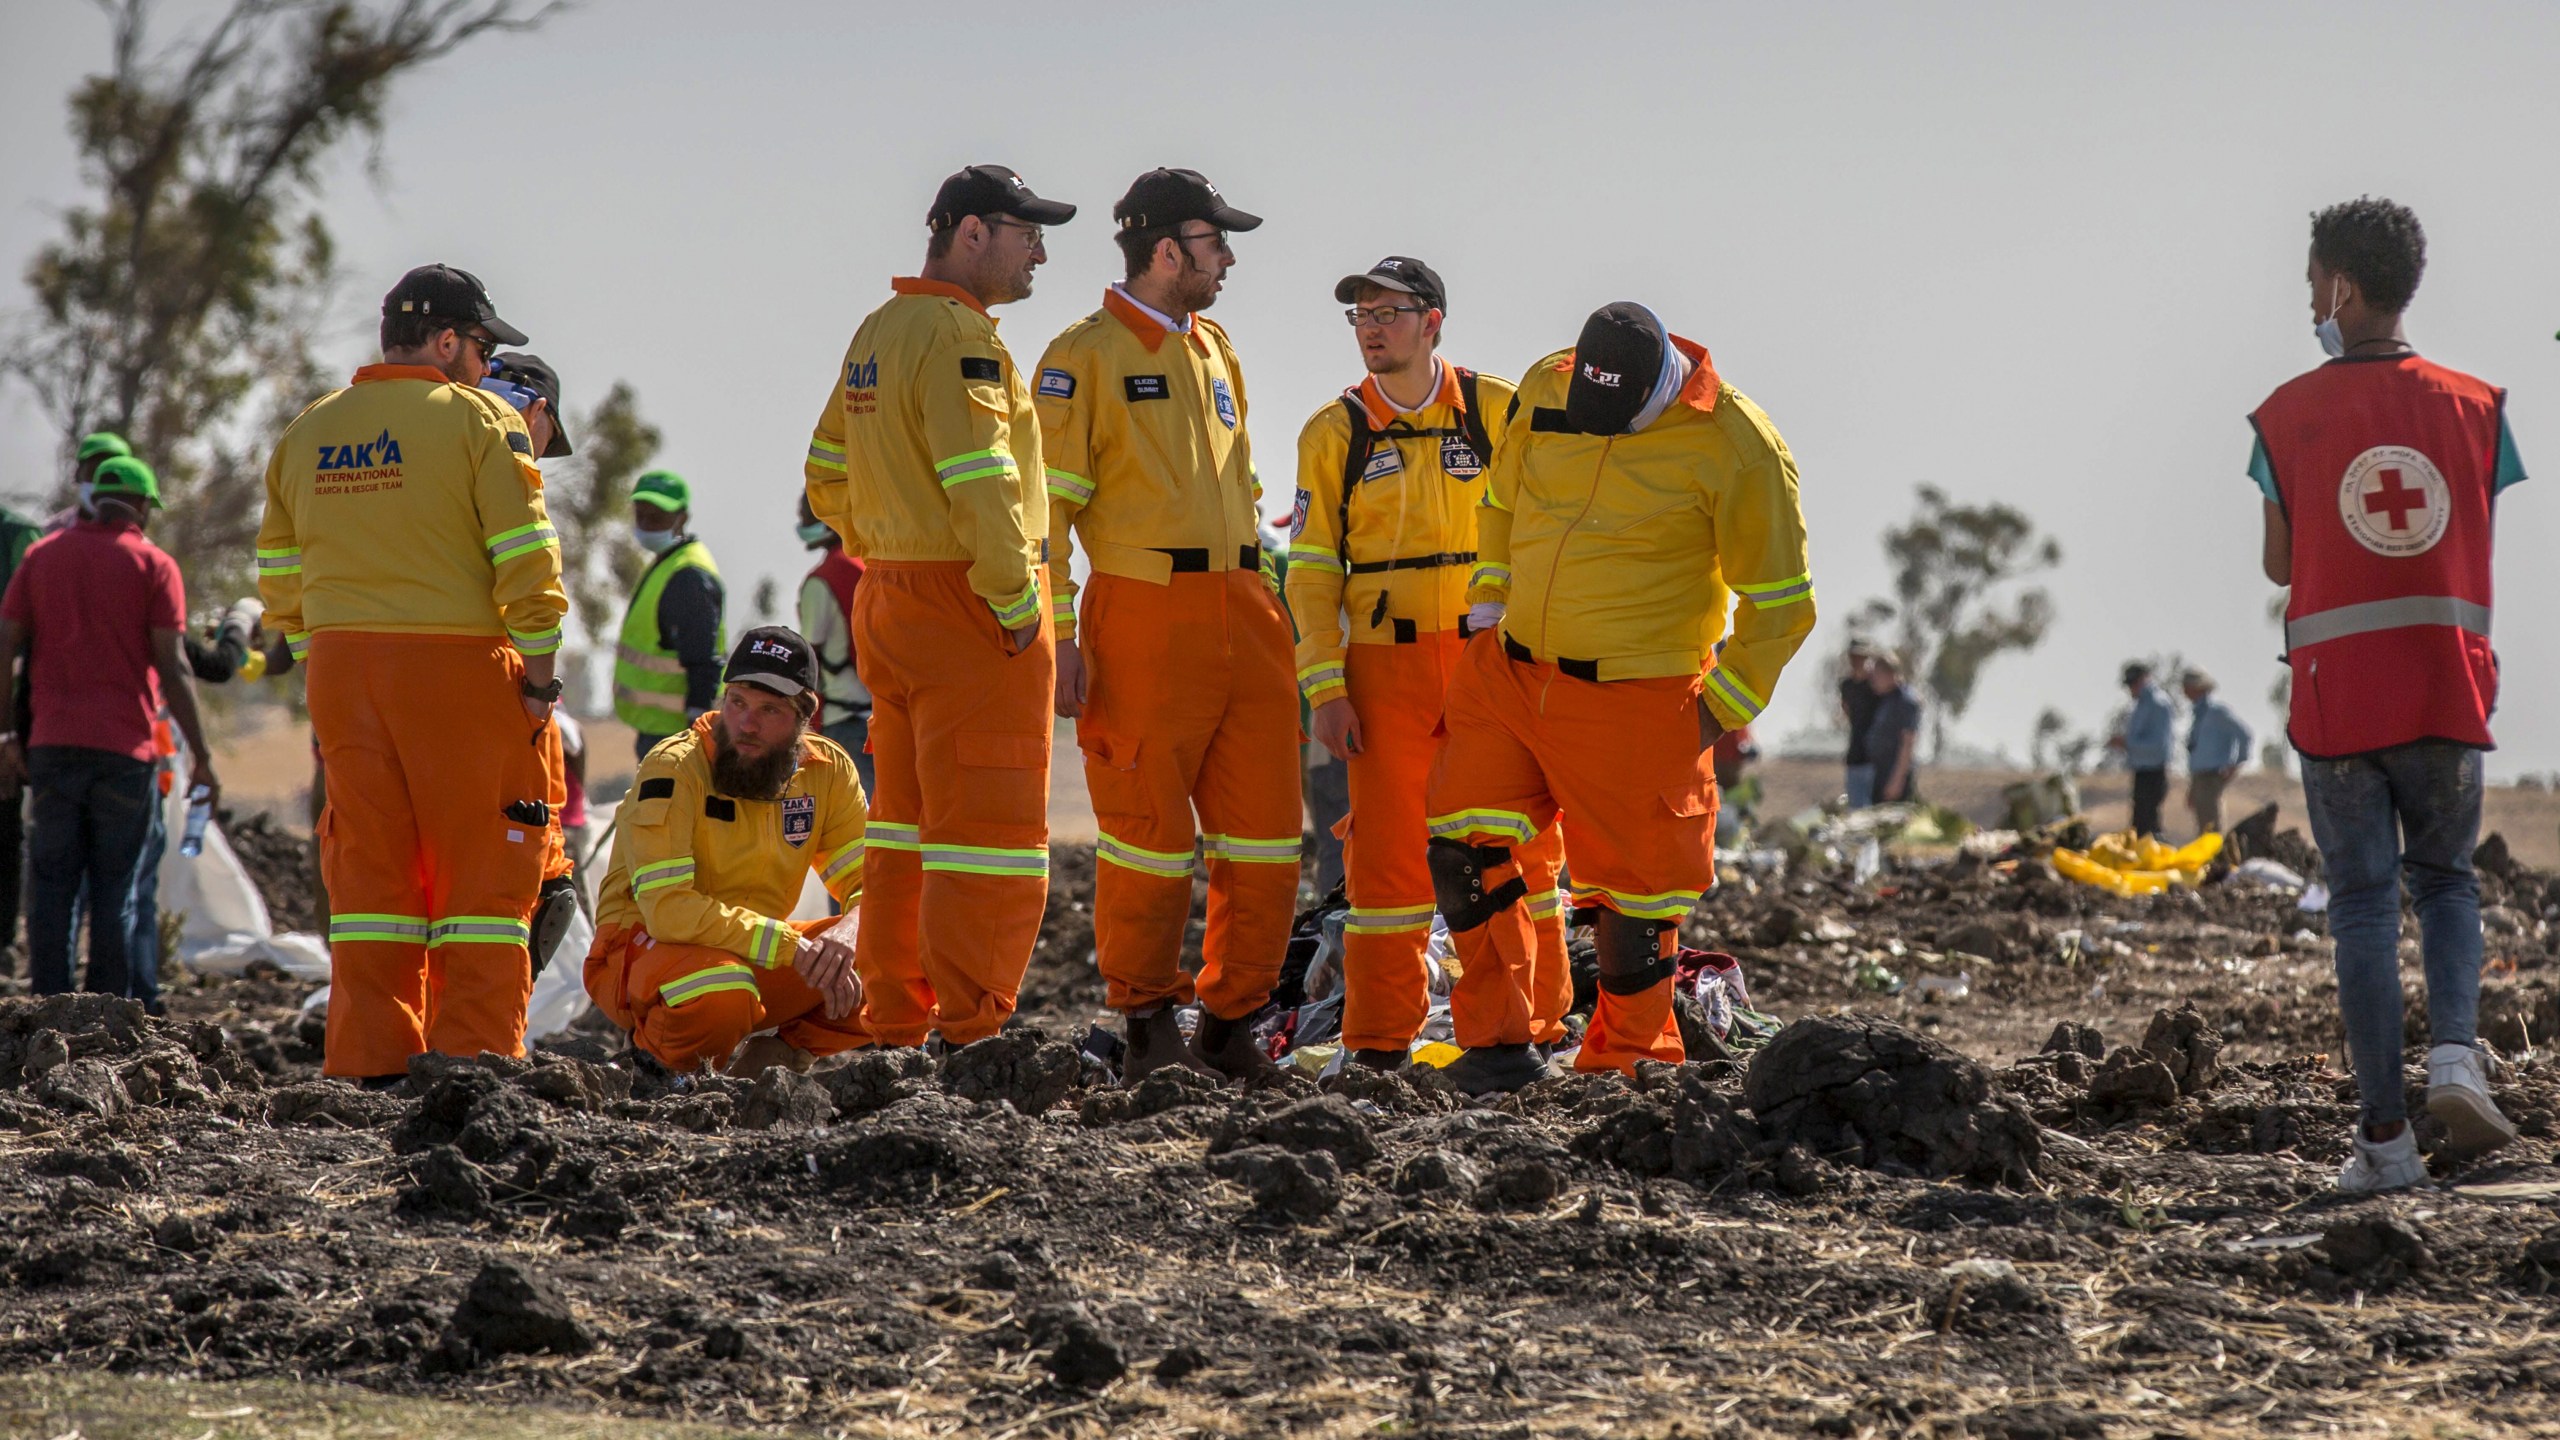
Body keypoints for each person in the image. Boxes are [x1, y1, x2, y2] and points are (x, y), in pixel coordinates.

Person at [1432, 301, 1815, 1092]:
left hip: (1641, 697)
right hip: (1508, 673)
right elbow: (1503, 504)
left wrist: (1712, 714)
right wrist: (1486, 613)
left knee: (1636, 901)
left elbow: (1782, 603)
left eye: (1620, 419)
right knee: (1462, 851)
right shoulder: (1547, 385)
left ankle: (1627, 1065)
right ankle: (1502, 1045)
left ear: (1662, 388)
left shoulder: (1739, 444)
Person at [2248, 196, 2522, 1190]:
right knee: (2446, 882)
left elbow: (2281, 566)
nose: (2306, 300)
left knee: (2362, 905)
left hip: (2337, 702)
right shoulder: (2480, 407)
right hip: (2445, 689)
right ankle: (2455, 1051)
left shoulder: (2281, 417)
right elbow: (2468, 527)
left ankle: (2384, 1145)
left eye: (2311, 284)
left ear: (2343, 288)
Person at [257, 262, 567, 1084]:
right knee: (483, 879)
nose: (481, 365)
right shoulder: (478, 425)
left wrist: (308, 636)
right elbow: (529, 565)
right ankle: (474, 1063)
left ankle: (370, 1064)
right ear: (444, 341)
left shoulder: (308, 429)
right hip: (457, 673)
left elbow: (279, 577)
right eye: (478, 347)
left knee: (370, 877)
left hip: (340, 675)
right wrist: (538, 681)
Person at [1037, 167, 1301, 1082]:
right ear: (1163, 251)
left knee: (1268, 835)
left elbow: (1245, 488)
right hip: (1141, 615)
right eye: (1214, 242)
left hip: (1247, 610)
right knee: (1148, 835)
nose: (1226, 258)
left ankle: (1233, 1027)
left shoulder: (1217, 347)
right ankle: (1148, 1023)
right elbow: (1048, 525)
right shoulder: (1082, 358)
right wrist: (1062, 643)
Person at [804, 165, 1065, 1052]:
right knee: (985, 831)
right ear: (970, 235)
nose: (1040, 250)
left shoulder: (879, 331)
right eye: (1025, 231)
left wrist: (881, 539)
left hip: (894, 595)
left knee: (905, 827)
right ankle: (971, 1030)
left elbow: (824, 472)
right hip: (967, 602)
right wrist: (1014, 597)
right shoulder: (962, 340)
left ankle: (894, 1019)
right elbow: (982, 480)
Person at [1284, 255, 1569, 1068]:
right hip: (1383, 670)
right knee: (1385, 858)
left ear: (1432, 322)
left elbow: (1547, 529)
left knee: (1516, 851)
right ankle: (1377, 1045)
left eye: (1388, 314)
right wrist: (1325, 688)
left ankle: (1523, 1033)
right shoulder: (1333, 431)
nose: (1371, 330)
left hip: (1491, 666)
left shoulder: (1498, 408)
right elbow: (1309, 573)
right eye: (1360, 317)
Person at [583, 628, 869, 1075]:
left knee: (896, 949)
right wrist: (791, 945)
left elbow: (873, 884)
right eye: (737, 702)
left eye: (769, 710)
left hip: (754, 955)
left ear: (803, 718)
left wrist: (851, 929)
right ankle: (655, 1069)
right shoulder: (675, 768)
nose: (747, 724)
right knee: (722, 988)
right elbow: (668, 910)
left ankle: (777, 1060)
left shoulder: (829, 773)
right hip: (641, 951)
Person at [0, 457, 216, 999]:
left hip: (51, 745)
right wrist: (204, 755)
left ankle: (50, 1008)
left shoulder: (41, 557)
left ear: (97, 500)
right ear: (142, 506)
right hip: (126, 751)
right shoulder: (154, 565)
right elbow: (174, 667)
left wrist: (6, 736)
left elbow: (5, 644)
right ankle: (107, 1015)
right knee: (115, 891)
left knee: (51, 885)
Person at [614, 471, 724, 759]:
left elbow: (703, 662)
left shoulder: (688, 576)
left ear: (682, 517)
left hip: (676, 735)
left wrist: (697, 731)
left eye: (657, 517)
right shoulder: (668, 565)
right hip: (659, 730)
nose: (647, 525)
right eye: (641, 515)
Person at [794, 492, 875, 797]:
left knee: (853, 820)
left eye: (806, 514)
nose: (801, 522)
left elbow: (806, 660)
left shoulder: (822, 580)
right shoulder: (871, 566)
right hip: (884, 719)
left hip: (844, 724)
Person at [0, 495, 45, 974]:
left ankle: (4, 941)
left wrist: (8, 731)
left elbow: (25, 635)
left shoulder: (19, 537)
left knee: (6, 821)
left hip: (10, 708)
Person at [2180, 668, 2251, 834]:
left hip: (2212, 777)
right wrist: (2192, 787)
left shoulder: (2217, 712)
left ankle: (2218, 859)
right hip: (2199, 777)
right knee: (2202, 827)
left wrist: (2236, 764)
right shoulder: (2197, 715)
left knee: (2212, 827)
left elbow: (2244, 734)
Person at [2112, 662, 2173, 836]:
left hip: (2154, 772)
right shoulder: (2141, 705)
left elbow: (2159, 747)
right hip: (2142, 771)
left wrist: (2127, 743)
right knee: (2139, 825)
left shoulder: (2158, 704)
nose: (2131, 689)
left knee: (2149, 826)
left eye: (2134, 683)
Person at [1866, 653, 1923, 804]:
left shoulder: (1905, 701)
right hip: (1881, 772)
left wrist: (1897, 780)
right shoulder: (1886, 699)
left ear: (1889, 674)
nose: (1873, 680)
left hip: (1894, 775)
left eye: (1876, 675)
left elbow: (1908, 742)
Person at [1837, 640, 1880, 807]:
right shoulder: (1847, 685)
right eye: (1854, 657)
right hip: (1855, 754)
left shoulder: (1875, 686)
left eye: (1861, 657)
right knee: (1855, 807)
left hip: (1874, 756)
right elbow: (1847, 711)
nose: (1857, 662)